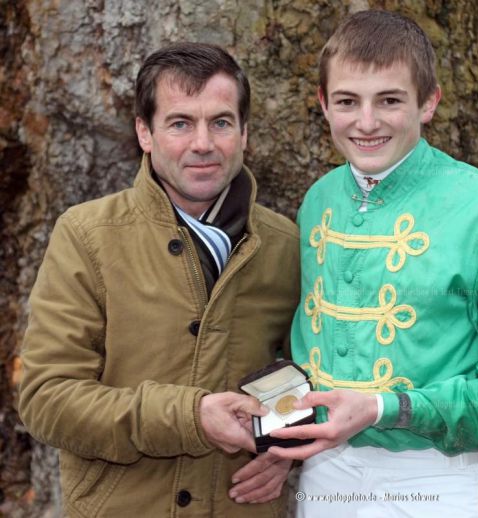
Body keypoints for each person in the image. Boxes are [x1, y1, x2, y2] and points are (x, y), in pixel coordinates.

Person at [269, 10, 478, 517]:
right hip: (327, 474)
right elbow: (308, 343)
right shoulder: (318, 201)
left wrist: (388, 407)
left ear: (428, 102)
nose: (366, 122)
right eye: (347, 101)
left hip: (443, 478)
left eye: (389, 100)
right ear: (323, 104)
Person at [18, 42, 300, 517]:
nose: (203, 143)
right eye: (180, 123)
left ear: (246, 133)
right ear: (144, 133)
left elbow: (307, 374)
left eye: (221, 122)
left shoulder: (285, 244)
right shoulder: (88, 236)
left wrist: (285, 450)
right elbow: (47, 398)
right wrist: (190, 418)